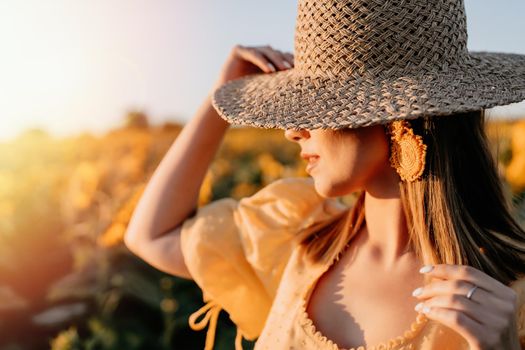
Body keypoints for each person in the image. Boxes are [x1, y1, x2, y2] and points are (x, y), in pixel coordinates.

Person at [124, 0, 525, 349]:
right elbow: (151, 236)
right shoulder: (297, 238)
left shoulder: (511, 298)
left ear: (395, 118)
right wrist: (220, 97)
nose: (293, 130)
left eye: (320, 107)